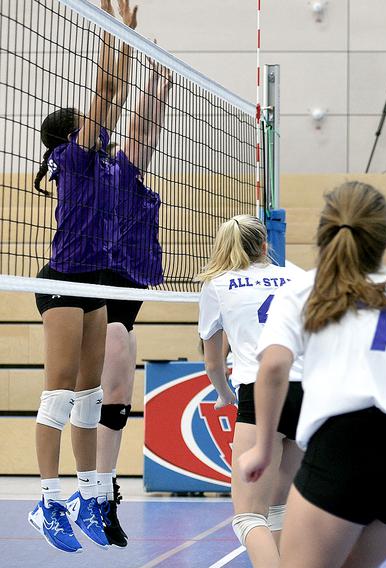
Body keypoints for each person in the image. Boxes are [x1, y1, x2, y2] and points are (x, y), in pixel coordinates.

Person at [236, 181, 386, 568]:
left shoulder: (306, 288)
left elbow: (274, 367)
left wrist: (263, 448)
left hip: (346, 443)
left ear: (324, 232)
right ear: (385, 237)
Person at [27, 0, 141, 553]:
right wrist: (111, 34)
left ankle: (91, 496)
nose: (104, 128)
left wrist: (130, 45)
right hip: (63, 281)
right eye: (91, 125)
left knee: (90, 395)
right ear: (72, 137)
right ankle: (46, 500)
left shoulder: (95, 162)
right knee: (59, 393)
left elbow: (112, 98)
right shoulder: (74, 158)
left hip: (93, 281)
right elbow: (105, 92)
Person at [96, 50, 173, 549]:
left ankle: (100, 490)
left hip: (125, 286)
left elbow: (141, 132)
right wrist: (121, 45)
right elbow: (109, 106)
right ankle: (95, 491)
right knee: (108, 382)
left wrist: (161, 88)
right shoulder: (87, 172)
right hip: (92, 284)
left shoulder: (117, 173)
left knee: (117, 390)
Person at [196, 215, 306, 567]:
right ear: (264, 245)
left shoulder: (217, 284)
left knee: (247, 517)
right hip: (309, 391)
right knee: (277, 509)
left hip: (261, 392)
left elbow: (213, 363)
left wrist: (225, 394)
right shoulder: (297, 275)